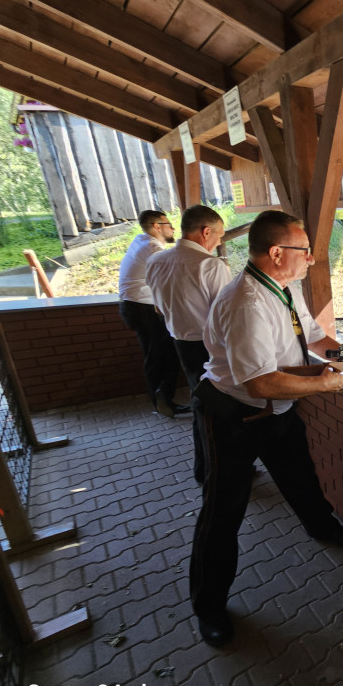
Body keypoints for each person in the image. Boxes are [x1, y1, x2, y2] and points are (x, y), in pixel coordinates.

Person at [191, 209, 343, 647]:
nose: (311, 259)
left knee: (301, 476)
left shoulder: (283, 287)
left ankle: (321, 527)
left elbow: (313, 337)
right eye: (304, 251)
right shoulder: (246, 303)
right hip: (233, 414)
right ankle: (209, 607)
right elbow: (259, 380)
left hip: (277, 411)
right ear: (276, 253)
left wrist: (341, 352)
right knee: (223, 511)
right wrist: (322, 384)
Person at [146, 204, 232, 483]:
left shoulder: (156, 261)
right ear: (206, 232)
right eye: (218, 236)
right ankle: (214, 470)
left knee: (201, 401)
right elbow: (227, 316)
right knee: (217, 406)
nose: (219, 242)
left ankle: (206, 468)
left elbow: (158, 309)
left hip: (180, 341)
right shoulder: (210, 265)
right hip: (212, 345)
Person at [117, 209, 185, 417]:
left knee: (160, 353)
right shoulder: (153, 249)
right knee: (158, 355)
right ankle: (161, 402)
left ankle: (163, 400)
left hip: (135, 306)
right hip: (143, 307)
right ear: (157, 227)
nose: (172, 228)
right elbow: (170, 281)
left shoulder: (142, 241)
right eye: (168, 224)